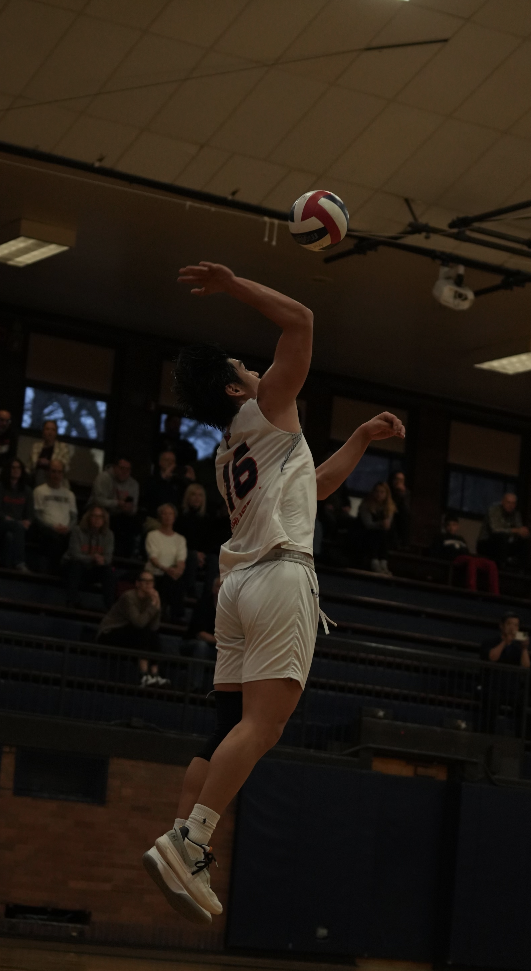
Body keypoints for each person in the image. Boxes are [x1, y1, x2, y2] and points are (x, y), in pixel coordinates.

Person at [142, 259, 405, 927]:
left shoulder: (230, 449)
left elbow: (312, 488)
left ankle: (180, 835)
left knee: (228, 725)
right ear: (236, 389)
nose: (260, 370)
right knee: (265, 727)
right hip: (283, 576)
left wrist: (360, 439)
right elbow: (302, 321)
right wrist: (233, 284)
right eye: (247, 367)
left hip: (236, 588)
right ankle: (192, 839)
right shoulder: (264, 406)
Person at [97, 570, 168, 686]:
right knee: (143, 629)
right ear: (137, 583)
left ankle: (155, 674)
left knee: (153, 634)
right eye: (145, 581)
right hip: (110, 633)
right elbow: (138, 623)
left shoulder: (151, 600)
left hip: (130, 634)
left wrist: (157, 607)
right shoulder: (128, 597)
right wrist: (152, 608)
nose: (148, 584)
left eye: (151, 581)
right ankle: (144, 674)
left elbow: (155, 627)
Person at [434, 513, 500, 595]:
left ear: (457, 526)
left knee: (491, 564)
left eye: (454, 525)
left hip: (466, 557)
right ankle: (471, 591)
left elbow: (466, 552)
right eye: (449, 525)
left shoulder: (461, 539)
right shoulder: (441, 538)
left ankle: (495, 593)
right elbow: (437, 553)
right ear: (445, 526)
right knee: (471, 561)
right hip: (454, 559)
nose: (451, 528)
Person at [64, 505, 115, 609]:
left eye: (100, 517)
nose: (97, 519)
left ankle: (110, 607)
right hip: (73, 567)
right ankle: (72, 601)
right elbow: (74, 554)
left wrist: (102, 560)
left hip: (93, 568)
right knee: (75, 565)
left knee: (108, 571)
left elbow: (108, 557)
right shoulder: (78, 531)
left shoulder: (108, 534)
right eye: (94, 516)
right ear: (88, 517)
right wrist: (93, 558)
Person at [30, 459, 78, 572]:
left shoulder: (70, 494)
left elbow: (74, 517)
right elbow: (37, 515)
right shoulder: (39, 491)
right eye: (53, 471)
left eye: (59, 472)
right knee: (53, 538)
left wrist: (68, 528)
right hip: (46, 530)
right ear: (48, 472)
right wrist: (52, 527)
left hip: (66, 531)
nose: (56, 475)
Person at [175, 482, 228, 583]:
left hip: (202, 554)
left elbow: (209, 540)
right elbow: (178, 540)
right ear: (188, 496)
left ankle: (208, 595)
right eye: (193, 494)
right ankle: (190, 589)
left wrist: (202, 554)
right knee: (192, 557)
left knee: (213, 560)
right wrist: (196, 553)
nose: (197, 498)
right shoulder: (181, 517)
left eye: (200, 495)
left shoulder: (207, 519)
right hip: (185, 552)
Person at [88, 457, 141, 557]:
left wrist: (129, 509)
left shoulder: (133, 484)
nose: (124, 472)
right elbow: (98, 500)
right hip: (101, 511)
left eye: (127, 469)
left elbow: (134, 508)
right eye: (122, 468)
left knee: (132, 524)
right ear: (115, 467)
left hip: (121, 515)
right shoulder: (103, 478)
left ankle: (124, 559)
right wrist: (117, 503)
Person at [145, 502, 189, 620]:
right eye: (164, 514)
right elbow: (153, 558)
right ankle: (166, 613)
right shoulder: (152, 535)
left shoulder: (180, 539)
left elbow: (181, 559)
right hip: (155, 573)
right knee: (168, 581)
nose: (168, 516)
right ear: (160, 517)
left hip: (171, 574)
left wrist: (178, 571)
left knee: (176, 581)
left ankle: (175, 615)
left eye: (170, 514)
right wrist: (167, 570)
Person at [0, 458, 33, 571]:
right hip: (0, 523)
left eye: (18, 467)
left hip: (18, 527)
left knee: (10, 536)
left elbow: (30, 514)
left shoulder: (27, 491)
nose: (15, 470)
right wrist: (10, 519)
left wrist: (28, 521)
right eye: (13, 467)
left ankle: (6, 568)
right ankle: (19, 562)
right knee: (16, 527)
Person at [181, 574, 221, 691]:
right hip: (191, 643)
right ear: (214, 589)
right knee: (201, 646)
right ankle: (195, 686)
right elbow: (200, 634)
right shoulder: (203, 605)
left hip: (217, 648)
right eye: (220, 587)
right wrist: (221, 641)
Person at [477, 492, 530, 569]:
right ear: (503, 502)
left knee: (525, 541)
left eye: (513, 503)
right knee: (501, 537)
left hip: (505, 544)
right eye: (508, 502)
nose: (511, 505)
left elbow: (519, 529)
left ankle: (524, 569)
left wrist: (524, 532)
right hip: (487, 543)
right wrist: (516, 530)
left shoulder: (516, 514)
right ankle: (502, 568)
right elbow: (495, 530)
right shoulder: (494, 510)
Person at [358, 481, 396, 573]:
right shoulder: (366, 505)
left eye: (382, 492)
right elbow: (368, 524)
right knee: (377, 533)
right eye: (377, 491)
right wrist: (380, 524)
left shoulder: (389, 507)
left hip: (382, 534)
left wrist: (385, 524)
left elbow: (388, 524)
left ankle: (383, 562)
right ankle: (374, 561)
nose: (379, 494)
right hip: (366, 533)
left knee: (383, 533)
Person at [141, 450, 188, 523]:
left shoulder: (179, 482)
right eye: (167, 460)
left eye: (173, 461)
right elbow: (148, 498)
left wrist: (191, 480)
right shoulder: (152, 480)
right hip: (155, 519)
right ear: (160, 462)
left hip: (174, 521)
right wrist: (163, 478)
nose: (170, 463)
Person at [26, 419, 73, 486]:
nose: (50, 432)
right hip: (36, 477)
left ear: (56, 432)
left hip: (55, 480)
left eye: (53, 430)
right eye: (47, 429)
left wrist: (49, 463)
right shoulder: (36, 446)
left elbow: (65, 467)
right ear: (43, 431)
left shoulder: (62, 448)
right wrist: (38, 462)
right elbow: (29, 466)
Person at [389, 470, 411, 547]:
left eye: (401, 480)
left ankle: (403, 544)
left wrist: (402, 494)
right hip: (387, 513)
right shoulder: (386, 490)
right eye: (397, 479)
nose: (398, 482)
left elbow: (406, 508)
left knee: (406, 517)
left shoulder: (406, 493)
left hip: (399, 515)